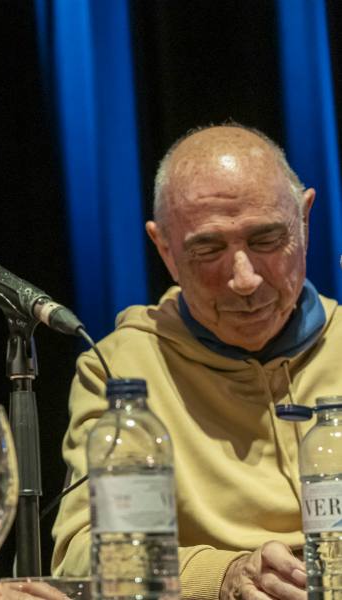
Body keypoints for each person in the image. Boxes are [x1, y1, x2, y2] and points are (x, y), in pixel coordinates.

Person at [51, 124, 342, 600]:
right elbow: (84, 554)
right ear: (165, 249)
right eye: (208, 250)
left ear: (305, 221)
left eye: (266, 239)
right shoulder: (124, 368)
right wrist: (221, 577)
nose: (245, 280)